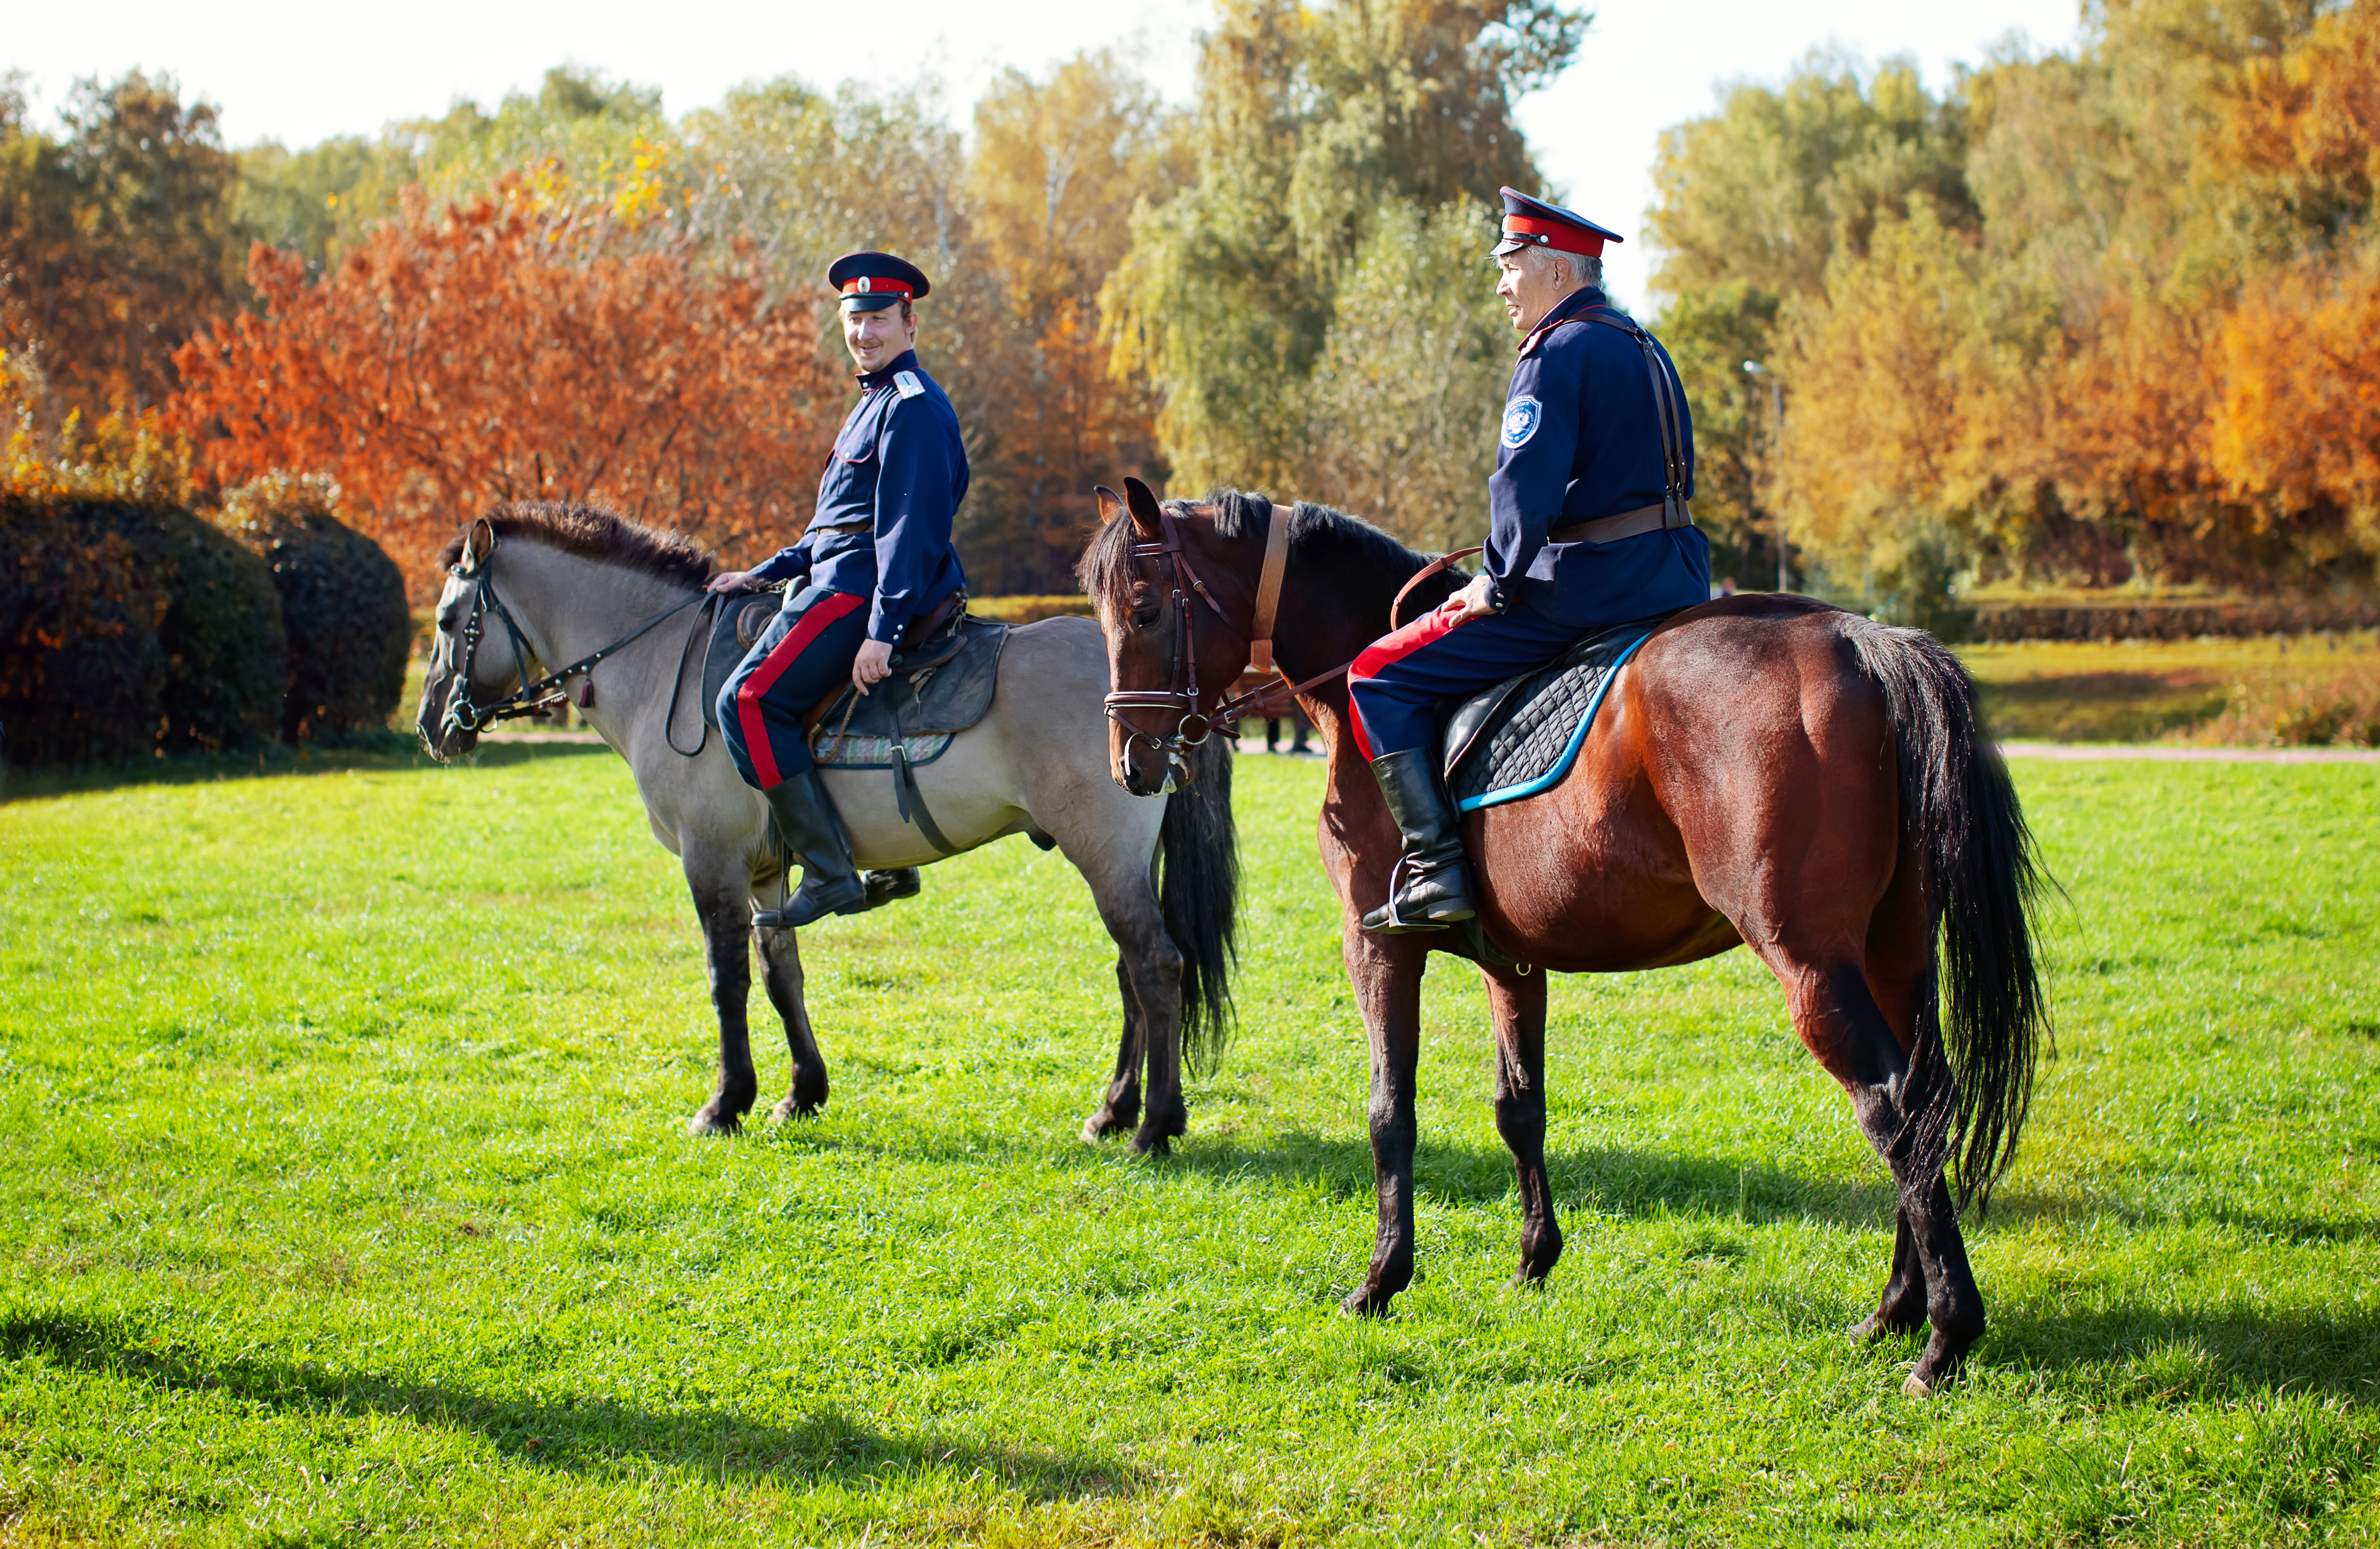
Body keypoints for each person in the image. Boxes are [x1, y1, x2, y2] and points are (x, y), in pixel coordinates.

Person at [1343, 189, 1712, 933]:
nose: (1501, 283)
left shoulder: (1555, 351)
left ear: (1552, 269)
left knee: (1375, 674)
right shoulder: (1644, 343)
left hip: (1587, 589)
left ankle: (1434, 870)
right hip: (1674, 574)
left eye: (1509, 264)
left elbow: (1526, 485)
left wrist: (1498, 579)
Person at [710, 251, 970, 928]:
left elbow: (908, 531)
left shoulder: (909, 408)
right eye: (854, 320)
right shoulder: (871, 402)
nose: (864, 333)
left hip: (858, 593)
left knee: (746, 701)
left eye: (878, 319)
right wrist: (765, 572)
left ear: (909, 322)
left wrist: (883, 630)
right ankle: (885, 850)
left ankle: (828, 871)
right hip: (832, 577)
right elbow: (834, 526)